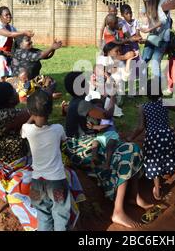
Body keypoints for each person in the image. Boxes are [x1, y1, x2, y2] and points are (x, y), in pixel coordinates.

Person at [0, 83, 84, 231]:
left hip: (33, 176)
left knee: (43, 212)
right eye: (14, 91)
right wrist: (47, 94)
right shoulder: (5, 115)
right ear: (8, 100)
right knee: (60, 211)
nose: (17, 92)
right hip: (12, 168)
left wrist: (44, 97)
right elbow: (35, 111)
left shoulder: (18, 122)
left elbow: (33, 113)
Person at [63, 72, 153, 228]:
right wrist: (112, 97)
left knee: (129, 148)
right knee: (128, 153)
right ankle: (118, 211)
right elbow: (107, 115)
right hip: (83, 147)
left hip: (80, 146)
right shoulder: (82, 104)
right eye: (84, 83)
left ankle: (133, 196)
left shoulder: (76, 102)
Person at [21, 90, 73, 231]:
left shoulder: (27, 129)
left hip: (36, 183)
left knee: (43, 215)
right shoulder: (58, 129)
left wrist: (32, 115)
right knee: (60, 214)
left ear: (29, 111)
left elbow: (24, 129)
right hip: (56, 182)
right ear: (51, 110)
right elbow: (64, 140)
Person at [127, 80, 175, 201]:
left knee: (154, 162)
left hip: (153, 137)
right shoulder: (165, 103)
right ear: (161, 93)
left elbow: (141, 127)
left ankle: (157, 189)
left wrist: (131, 137)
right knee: (168, 155)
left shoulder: (143, 107)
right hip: (167, 135)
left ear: (146, 94)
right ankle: (167, 173)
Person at [0, 6, 35, 82]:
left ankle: (22, 80)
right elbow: (10, 34)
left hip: (8, 54)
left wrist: (27, 41)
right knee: (1, 59)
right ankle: (2, 82)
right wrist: (24, 32)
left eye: (9, 14)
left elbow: (18, 40)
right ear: (0, 17)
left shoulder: (12, 28)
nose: (9, 16)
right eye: (6, 15)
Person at [140, 0, 172, 78]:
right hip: (152, 37)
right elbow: (142, 12)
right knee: (143, 60)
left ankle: (157, 90)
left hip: (162, 38)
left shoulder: (163, 0)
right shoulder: (148, 2)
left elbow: (163, 20)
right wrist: (144, 17)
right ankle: (144, 86)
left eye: (145, 0)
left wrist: (148, 29)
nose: (145, 2)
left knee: (155, 63)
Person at [86, 98, 120, 171]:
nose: (98, 110)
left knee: (110, 145)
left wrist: (93, 127)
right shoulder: (93, 118)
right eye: (96, 108)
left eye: (100, 108)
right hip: (101, 136)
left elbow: (104, 127)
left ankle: (107, 164)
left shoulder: (106, 116)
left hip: (111, 135)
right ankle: (94, 158)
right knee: (95, 143)